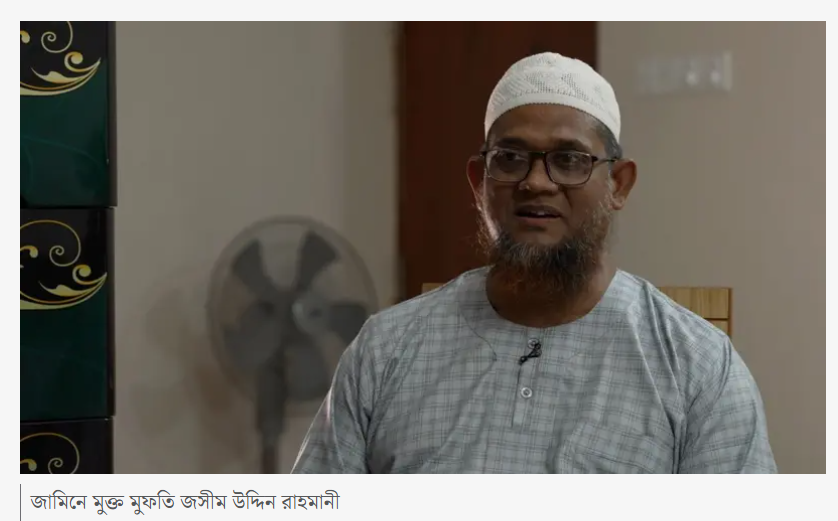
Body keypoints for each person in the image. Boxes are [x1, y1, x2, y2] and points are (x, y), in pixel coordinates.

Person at [291, 52, 777, 474]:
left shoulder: (697, 368)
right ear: (479, 181)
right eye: (510, 158)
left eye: (570, 160)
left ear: (619, 185)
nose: (536, 182)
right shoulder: (385, 350)